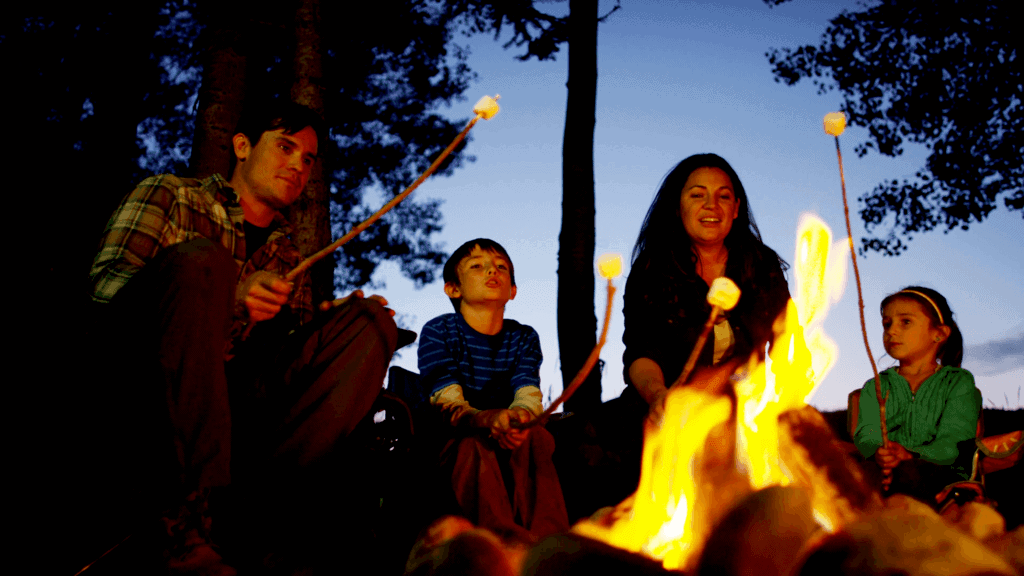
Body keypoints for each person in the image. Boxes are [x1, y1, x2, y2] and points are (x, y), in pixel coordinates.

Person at [88, 100, 399, 574]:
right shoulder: (172, 194)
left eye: (309, 159)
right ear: (241, 146)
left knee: (369, 324)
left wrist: (326, 327)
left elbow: (278, 366)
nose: (298, 165)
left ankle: (269, 516)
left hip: (241, 413)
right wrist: (226, 294)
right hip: (149, 390)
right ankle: (183, 516)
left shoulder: (288, 252)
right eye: (285, 146)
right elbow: (105, 289)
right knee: (203, 260)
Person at [417, 239, 569, 538]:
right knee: (474, 445)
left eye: (502, 267)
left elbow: (527, 390)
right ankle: (501, 543)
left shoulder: (523, 337)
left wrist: (521, 419)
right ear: (453, 288)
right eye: (477, 266)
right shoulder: (440, 331)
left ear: (512, 291)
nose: (492, 270)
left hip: (510, 434)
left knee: (536, 436)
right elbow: (445, 399)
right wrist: (485, 420)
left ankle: (550, 543)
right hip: (456, 436)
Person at [621, 153, 791, 416]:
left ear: (735, 209)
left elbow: (787, 339)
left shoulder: (760, 264)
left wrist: (787, 399)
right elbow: (642, 351)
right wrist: (658, 396)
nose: (711, 205)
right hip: (666, 414)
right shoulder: (651, 269)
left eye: (723, 196)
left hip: (746, 415)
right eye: (698, 195)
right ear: (677, 207)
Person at [854, 286, 981, 502]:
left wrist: (909, 454)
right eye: (887, 324)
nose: (891, 331)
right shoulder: (875, 386)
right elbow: (867, 432)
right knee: (851, 475)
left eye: (905, 322)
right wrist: (879, 452)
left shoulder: (958, 382)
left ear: (938, 334)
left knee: (907, 474)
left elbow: (955, 441)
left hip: (942, 471)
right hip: (884, 467)